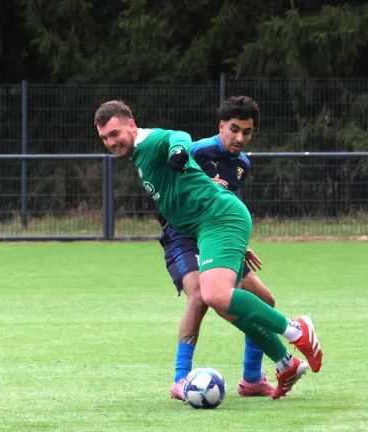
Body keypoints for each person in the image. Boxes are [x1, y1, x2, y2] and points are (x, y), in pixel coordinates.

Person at [94, 100, 323, 400]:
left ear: (131, 125)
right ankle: (283, 364)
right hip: (206, 229)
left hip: (219, 220)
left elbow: (178, 136)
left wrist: (177, 152)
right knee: (228, 301)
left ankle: (296, 330)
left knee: (215, 295)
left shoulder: (150, 140)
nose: (111, 143)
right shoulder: (139, 154)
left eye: (114, 134)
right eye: (104, 139)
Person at [159, 96, 278, 400]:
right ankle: (180, 379)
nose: (240, 138)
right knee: (200, 297)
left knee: (264, 299)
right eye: (234, 129)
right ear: (221, 126)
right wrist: (202, 187)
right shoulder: (196, 151)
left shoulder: (242, 164)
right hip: (183, 235)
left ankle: (252, 379)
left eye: (247, 132)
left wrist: (238, 243)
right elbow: (168, 193)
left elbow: (226, 207)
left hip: (218, 238)